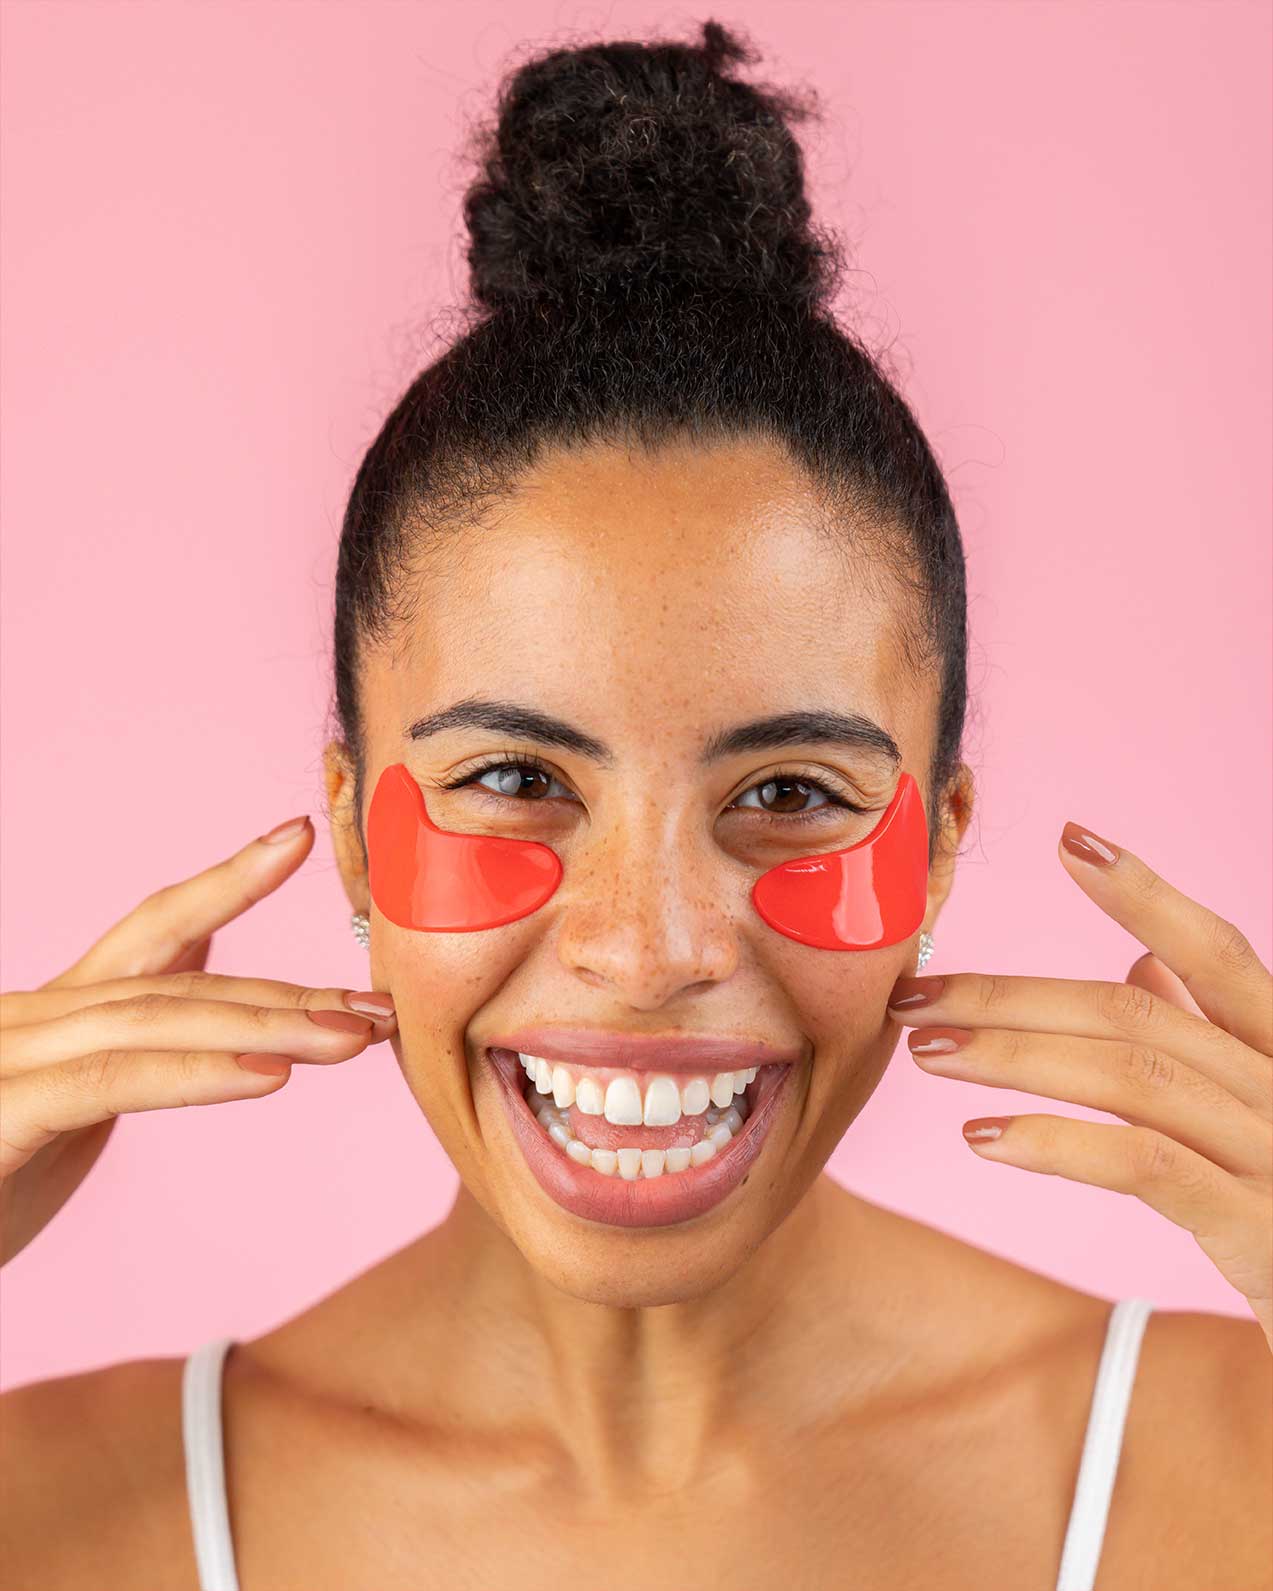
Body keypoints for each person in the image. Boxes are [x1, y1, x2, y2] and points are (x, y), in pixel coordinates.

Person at [1, 21, 1269, 1590]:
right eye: (517, 780)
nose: (649, 946)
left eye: (791, 792)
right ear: (349, 826)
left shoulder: (1233, 1474)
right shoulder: (52, 1513)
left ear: (936, 841)